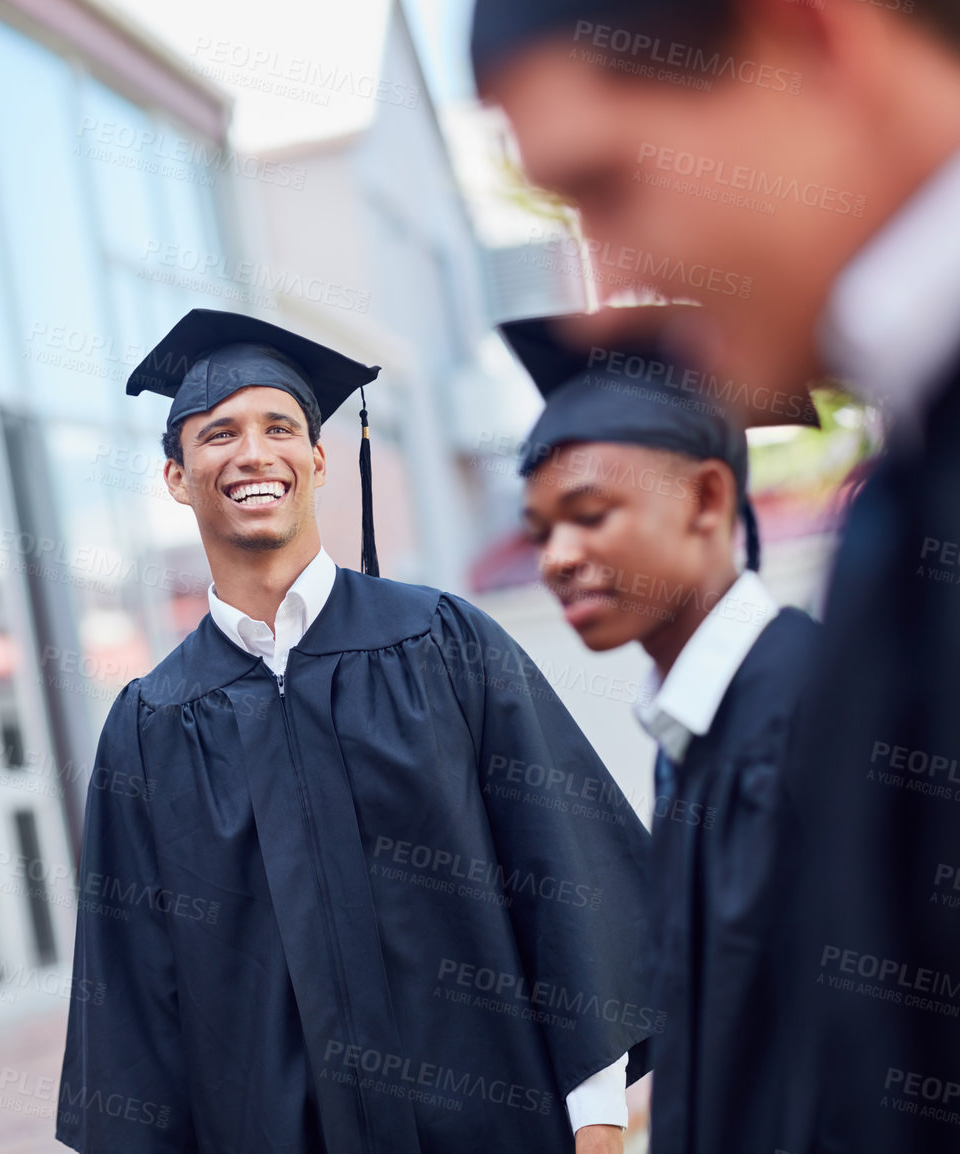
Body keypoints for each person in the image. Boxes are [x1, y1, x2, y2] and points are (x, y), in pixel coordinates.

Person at [471, 4, 960, 1150]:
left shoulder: (799, 707)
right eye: (540, 528)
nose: (606, 293)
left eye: (609, 185)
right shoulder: (895, 510)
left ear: (815, 43)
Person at [56, 308, 654, 1154]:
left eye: (279, 427)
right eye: (218, 433)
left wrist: (595, 1118)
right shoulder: (151, 726)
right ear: (177, 478)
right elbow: (132, 988)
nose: (253, 453)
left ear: (319, 460)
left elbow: (559, 868)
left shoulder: (444, 644)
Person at [509, 315, 820, 1154]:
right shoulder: (692, 734)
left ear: (709, 500)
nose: (557, 557)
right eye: (540, 531)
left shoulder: (811, 716)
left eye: (589, 512)